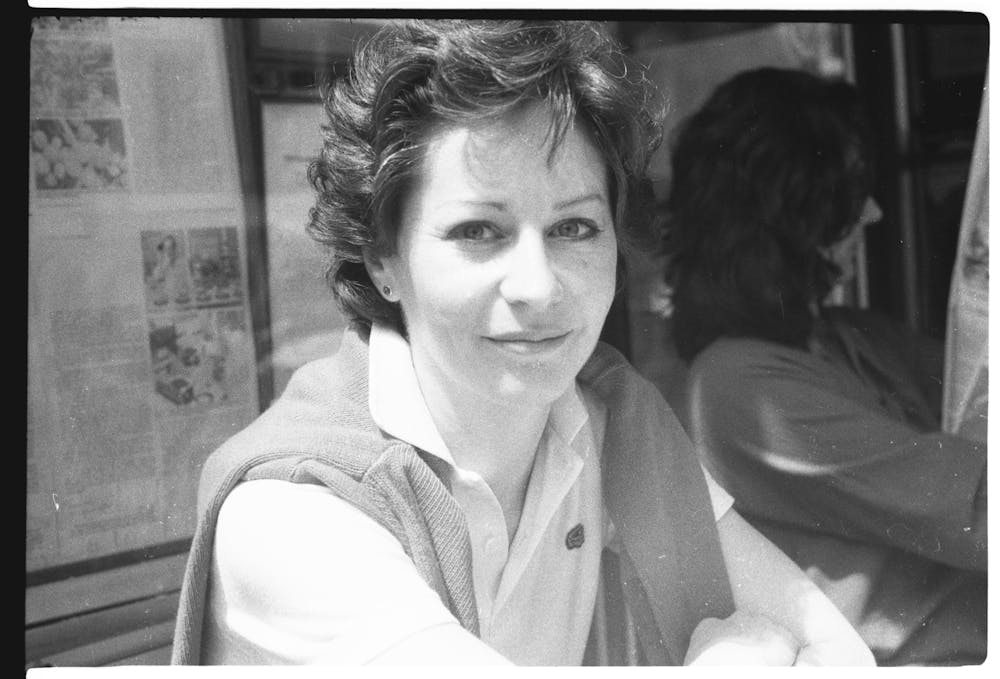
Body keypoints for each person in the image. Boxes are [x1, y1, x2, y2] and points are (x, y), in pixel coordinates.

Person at [171, 22, 874, 666]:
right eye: (479, 231)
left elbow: (838, 651)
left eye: (574, 228)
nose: (538, 287)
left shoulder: (605, 424)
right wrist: (735, 658)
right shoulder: (293, 513)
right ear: (382, 258)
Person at [662, 66, 987, 666]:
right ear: (791, 217)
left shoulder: (846, 337)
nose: (874, 215)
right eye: (847, 197)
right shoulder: (736, 388)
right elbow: (978, 509)